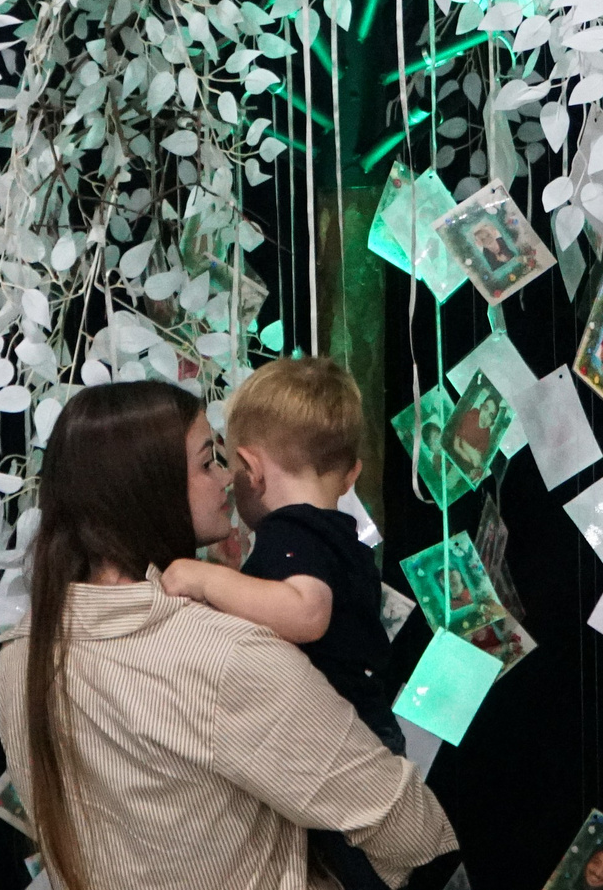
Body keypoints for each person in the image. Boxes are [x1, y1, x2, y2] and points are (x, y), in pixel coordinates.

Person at [0, 381, 454, 890]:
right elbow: (408, 824)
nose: (227, 478)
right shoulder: (223, 653)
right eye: (207, 461)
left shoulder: (19, 656)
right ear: (148, 485)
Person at [160, 360, 402, 890]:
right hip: (366, 729)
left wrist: (205, 581)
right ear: (352, 472)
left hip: (345, 736)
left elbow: (306, 613)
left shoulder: (292, 532)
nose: (225, 482)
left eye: (225, 466)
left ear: (252, 467)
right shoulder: (337, 534)